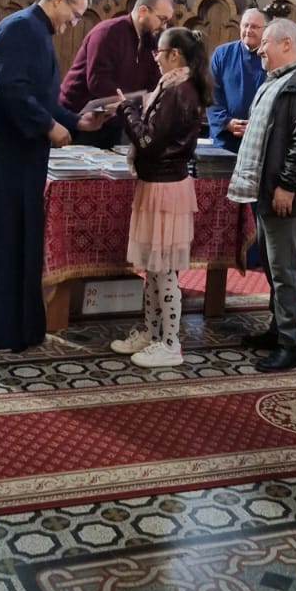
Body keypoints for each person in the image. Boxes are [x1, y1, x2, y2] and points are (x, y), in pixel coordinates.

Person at [0, 0, 102, 352]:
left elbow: (40, 97)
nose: (74, 23)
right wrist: (48, 126)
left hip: (9, 154)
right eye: (75, 14)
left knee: (11, 236)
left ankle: (9, 324)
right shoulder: (22, 29)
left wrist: (74, 121)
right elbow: (12, 91)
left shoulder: (35, 31)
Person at [228, 19, 296, 374]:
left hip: (287, 194)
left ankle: (292, 345)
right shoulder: (277, 81)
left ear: (286, 43)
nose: (259, 49)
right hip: (267, 190)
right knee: (275, 268)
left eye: (266, 43)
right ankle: (278, 330)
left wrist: (287, 184)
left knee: (286, 269)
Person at [109, 26, 211, 369]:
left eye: (159, 52)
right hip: (158, 183)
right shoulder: (173, 87)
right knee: (153, 269)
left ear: (175, 55)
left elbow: (148, 142)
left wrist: (127, 111)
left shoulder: (179, 91)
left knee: (164, 271)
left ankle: (170, 343)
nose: (155, 57)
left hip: (166, 188)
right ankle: (152, 333)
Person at [59, 0, 175, 147]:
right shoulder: (108, 32)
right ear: (143, 11)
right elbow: (98, 82)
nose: (164, 27)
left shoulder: (150, 41)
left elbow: (153, 81)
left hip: (115, 121)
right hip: (79, 119)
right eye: (162, 19)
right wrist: (136, 102)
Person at [207, 7, 266, 152]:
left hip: (258, 140)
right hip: (223, 139)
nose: (248, 30)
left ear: (266, 30)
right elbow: (210, 92)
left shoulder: (270, 57)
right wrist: (226, 122)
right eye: (245, 25)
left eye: (254, 27)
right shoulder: (222, 53)